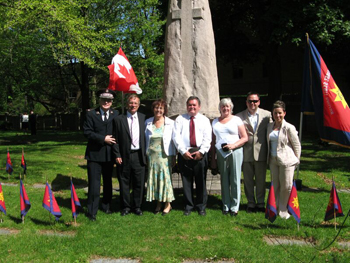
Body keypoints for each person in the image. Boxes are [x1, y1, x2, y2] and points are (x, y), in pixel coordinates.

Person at [173, 96, 212, 216]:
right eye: (190, 105)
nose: (192, 107)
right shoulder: (180, 119)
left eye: (194, 105)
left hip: (200, 153)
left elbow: (207, 138)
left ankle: (201, 206)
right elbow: (176, 136)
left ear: (199, 107)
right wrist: (183, 151)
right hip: (185, 153)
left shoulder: (204, 120)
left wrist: (202, 152)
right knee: (186, 181)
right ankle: (188, 206)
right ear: (186, 106)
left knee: (201, 181)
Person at [83, 89, 118, 221]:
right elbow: (87, 132)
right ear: (99, 100)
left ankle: (106, 206)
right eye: (104, 99)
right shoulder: (91, 114)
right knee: (94, 183)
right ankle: (92, 210)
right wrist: (103, 138)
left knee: (108, 182)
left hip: (109, 155)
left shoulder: (116, 114)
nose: (106, 102)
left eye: (109, 100)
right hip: (94, 155)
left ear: (112, 102)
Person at [211, 98, 248, 216]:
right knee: (224, 179)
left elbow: (244, 137)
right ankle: (226, 205)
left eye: (227, 106)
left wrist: (233, 145)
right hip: (221, 153)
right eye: (223, 106)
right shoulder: (215, 121)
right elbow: (213, 141)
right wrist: (213, 157)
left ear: (231, 108)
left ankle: (234, 206)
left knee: (235, 178)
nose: (225, 108)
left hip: (235, 151)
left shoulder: (237, 120)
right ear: (220, 108)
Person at [236, 92, 272, 213]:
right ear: (246, 102)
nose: (253, 103)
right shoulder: (239, 116)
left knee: (261, 181)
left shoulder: (267, 115)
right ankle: (250, 203)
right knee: (248, 181)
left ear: (259, 102)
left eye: (255, 101)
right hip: (246, 152)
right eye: (250, 101)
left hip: (261, 152)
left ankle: (261, 203)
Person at [113, 94, 146, 216]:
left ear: (138, 105)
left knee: (139, 182)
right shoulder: (118, 119)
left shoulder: (144, 118)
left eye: (135, 103)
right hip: (124, 155)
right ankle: (125, 207)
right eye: (131, 103)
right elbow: (114, 138)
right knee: (124, 182)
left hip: (139, 155)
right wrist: (117, 154)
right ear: (127, 104)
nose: (133, 105)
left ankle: (137, 206)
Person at [267, 100, 301, 219]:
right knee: (275, 185)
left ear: (284, 113)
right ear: (272, 113)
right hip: (273, 160)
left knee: (286, 186)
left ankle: (283, 210)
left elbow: (296, 145)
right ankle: (274, 208)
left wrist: (297, 160)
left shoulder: (289, 127)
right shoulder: (269, 126)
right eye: (275, 113)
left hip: (287, 161)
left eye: (280, 113)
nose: (277, 115)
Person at [145, 99, 176, 215]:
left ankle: (168, 204)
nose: (158, 110)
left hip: (164, 156)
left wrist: (174, 156)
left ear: (164, 110)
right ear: (153, 109)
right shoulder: (147, 122)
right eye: (156, 108)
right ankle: (158, 202)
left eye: (161, 108)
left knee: (165, 179)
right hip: (151, 157)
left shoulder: (170, 123)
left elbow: (173, 141)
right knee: (155, 180)